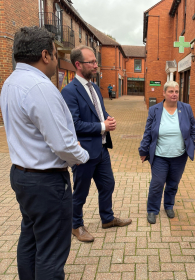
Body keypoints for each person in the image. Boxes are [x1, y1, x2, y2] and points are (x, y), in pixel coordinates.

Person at [0, 27, 90, 280]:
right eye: (54, 52)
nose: (56, 58)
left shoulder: (11, 82)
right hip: (46, 182)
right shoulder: (40, 87)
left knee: (30, 238)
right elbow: (62, 144)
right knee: (51, 252)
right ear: (45, 55)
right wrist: (82, 157)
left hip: (22, 176)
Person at [61, 45, 132, 243]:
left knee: (108, 184)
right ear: (78, 64)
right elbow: (74, 124)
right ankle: (76, 226)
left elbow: (99, 112)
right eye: (91, 62)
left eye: (95, 61)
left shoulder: (94, 87)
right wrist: (102, 125)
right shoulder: (69, 91)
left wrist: (108, 118)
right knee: (81, 193)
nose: (96, 65)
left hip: (101, 149)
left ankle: (107, 219)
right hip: (83, 152)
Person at [139, 81, 195, 224]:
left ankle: (169, 205)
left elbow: (193, 130)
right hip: (160, 155)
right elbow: (147, 132)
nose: (174, 94)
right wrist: (143, 150)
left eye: (176, 91)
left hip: (179, 155)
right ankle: (152, 210)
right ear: (164, 93)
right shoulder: (155, 110)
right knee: (157, 183)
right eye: (171, 91)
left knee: (173, 183)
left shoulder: (186, 108)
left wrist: (191, 144)